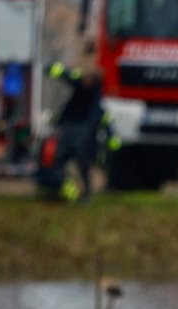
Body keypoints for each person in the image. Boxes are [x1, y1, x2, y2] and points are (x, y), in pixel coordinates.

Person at [39, 61, 119, 203]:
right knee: (57, 164)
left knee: (83, 167)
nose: (86, 80)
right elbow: (66, 75)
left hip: (81, 137)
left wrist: (111, 141)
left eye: (90, 78)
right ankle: (67, 189)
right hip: (70, 133)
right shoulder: (82, 88)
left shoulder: (94, 101)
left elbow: (106, 123)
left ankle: (82, 195)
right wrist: (51, 69)